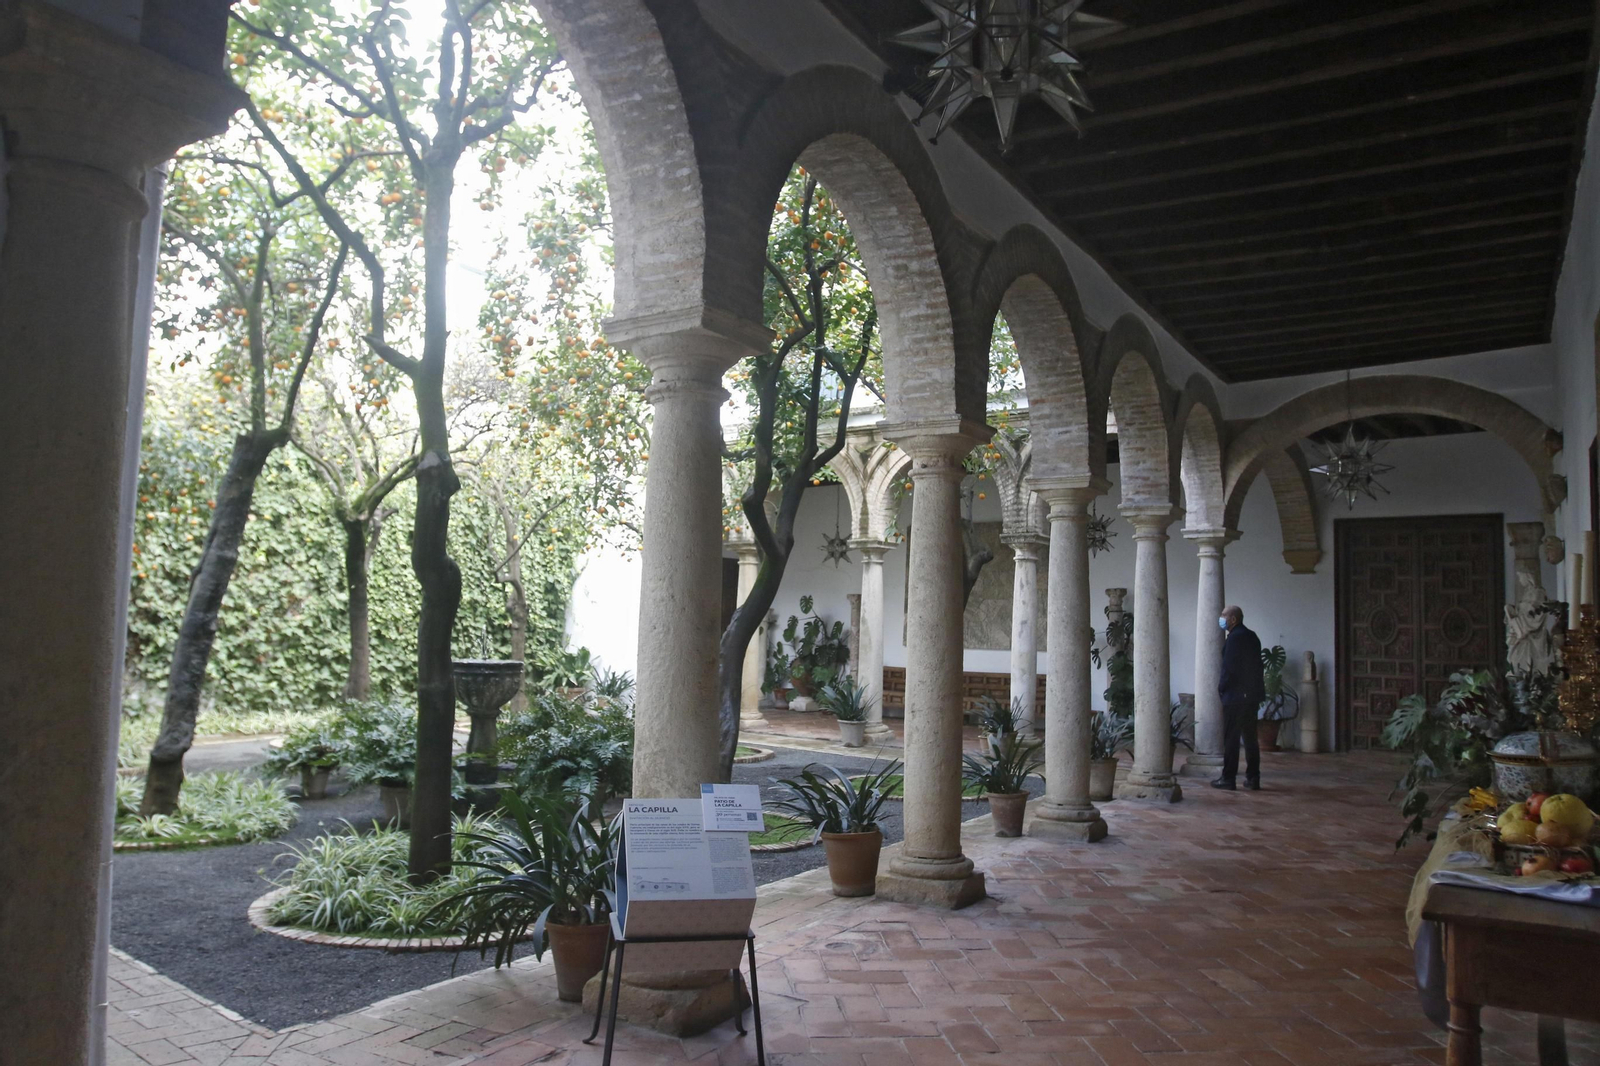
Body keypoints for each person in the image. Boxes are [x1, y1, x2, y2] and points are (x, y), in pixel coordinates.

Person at [1213, 604, 1265, 791]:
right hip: (1251, 696)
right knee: (1250, 738)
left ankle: (1228, 778)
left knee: (1231, 739)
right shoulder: (1252, 636)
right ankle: (1253, 778)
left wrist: (1221, 688)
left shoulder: (1235, 638)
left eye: (1224, 615)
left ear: (1233, 619)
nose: (1221, 618)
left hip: (1235, 696)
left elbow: (1229, 668)